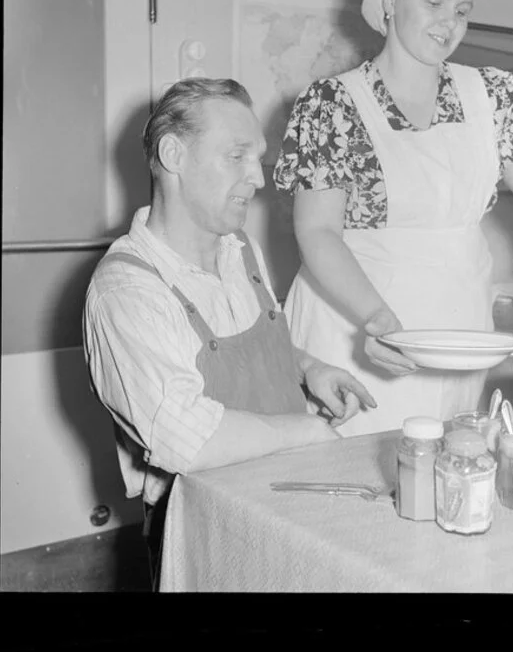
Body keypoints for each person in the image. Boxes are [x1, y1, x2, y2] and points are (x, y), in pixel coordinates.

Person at [273, 0, 513, 437]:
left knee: (443, 472)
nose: (449, 23)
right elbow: (318, 231)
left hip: (458, 332)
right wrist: (377, 320)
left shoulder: (489, 95)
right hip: (353, 328)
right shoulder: (333, 104)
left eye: (462, 10)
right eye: (434, 2)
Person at [83, 78, 375, 589]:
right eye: (236, 155)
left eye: (256, 157)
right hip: (202, 523)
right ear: (173, 155)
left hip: (283, 495)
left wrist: (310, 369)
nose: (257, 178)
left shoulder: (238, 249)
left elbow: (243, 341)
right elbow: (187, 441)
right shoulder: (125, 290)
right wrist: (306, 430)